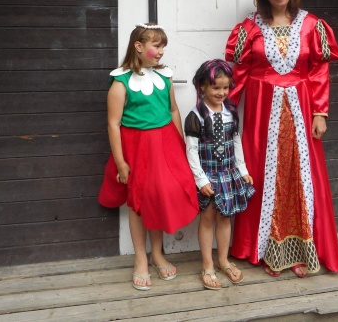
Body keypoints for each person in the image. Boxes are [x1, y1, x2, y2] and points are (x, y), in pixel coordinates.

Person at [225, 0, 338, 278]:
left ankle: (302, 250)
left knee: (299, 178)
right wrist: (225, 112)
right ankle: (266, 249)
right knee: (264, 177)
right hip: (262, 114)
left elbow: (318, 70)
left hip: (301, 113)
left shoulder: (310, 25)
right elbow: (239, 74)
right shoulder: (249, 28)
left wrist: (320, 112)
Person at [98, 23, 199, 291]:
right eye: (157, 46)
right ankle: (140, 259)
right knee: (139, 201)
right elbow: (113, 124)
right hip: (137, 148)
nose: (161, 51)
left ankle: (157, 254)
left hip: (165, 145)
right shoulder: (121, 82)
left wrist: (179, 145)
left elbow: (173, 110)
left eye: (163, 46)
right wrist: (121, 162)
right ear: (139, 46)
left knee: (159, 196)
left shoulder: (165, 77)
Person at [184, 59, 255, 290]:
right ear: (202, 86)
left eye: (225, 87)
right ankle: (207, 265)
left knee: (225, 218)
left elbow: (236, 142)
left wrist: (243, 170)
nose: (221, 92)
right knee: (207, 219)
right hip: (208, 176)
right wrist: (201, 180)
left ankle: (223, 260)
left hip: (228, 174)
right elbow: (191, 150)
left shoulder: (231, 113)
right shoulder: (196, 116)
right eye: (216, 87)